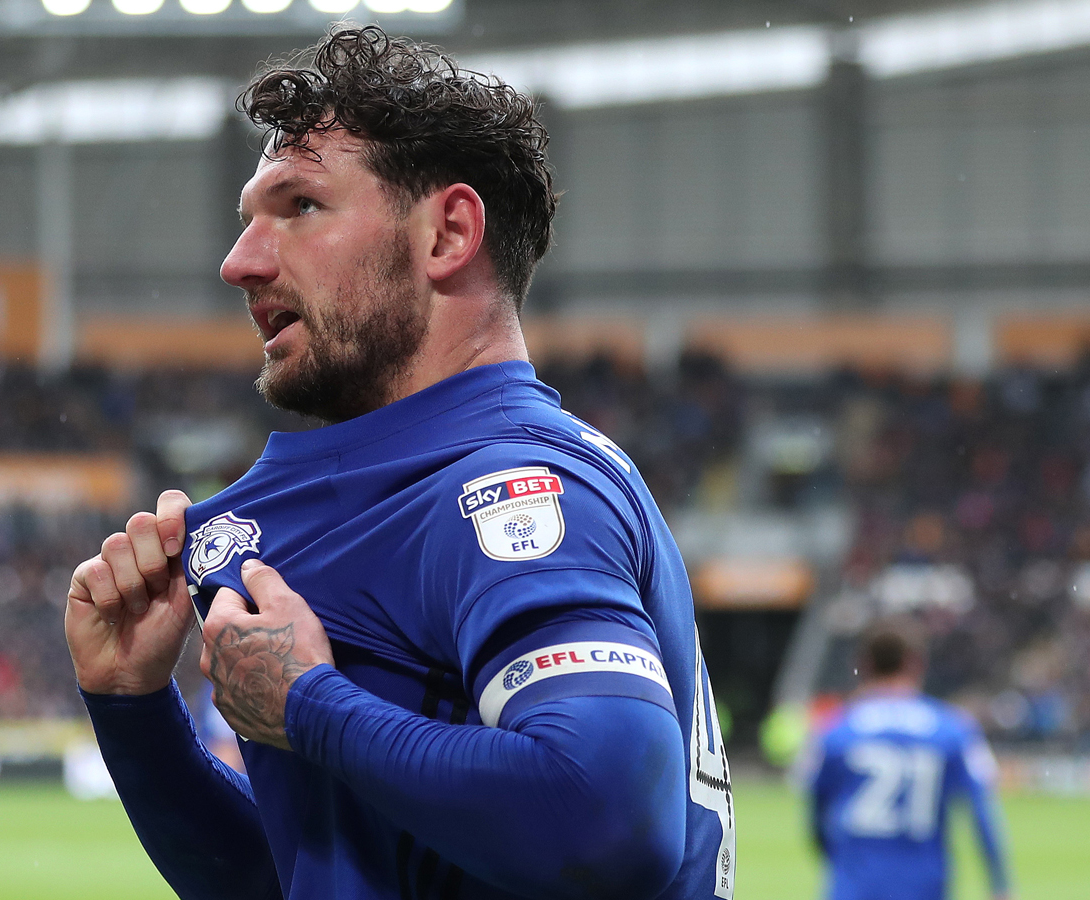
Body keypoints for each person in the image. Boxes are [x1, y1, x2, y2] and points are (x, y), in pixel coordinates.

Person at [64, 26, 734, 900]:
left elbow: (610, 828)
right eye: (247, 222)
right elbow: (301, 879)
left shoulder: (510, 489)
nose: (239, 263)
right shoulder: (392, 493)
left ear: (448, 234)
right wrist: (134, 709)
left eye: (300, 206)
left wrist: (311, 706)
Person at [805, 621, 1011, 900]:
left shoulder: (836, 730)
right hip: (923, 885)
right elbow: (981, 813)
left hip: (855, 886)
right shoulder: (952, 729)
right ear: (916, 663)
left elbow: (816, 817)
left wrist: (841, 860)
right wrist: (1000, 885)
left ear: (864, 665)